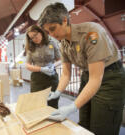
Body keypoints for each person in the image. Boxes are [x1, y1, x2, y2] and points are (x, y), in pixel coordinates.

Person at [38, 2, 125, 135]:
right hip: (87, 76)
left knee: (102, 127)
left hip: (109, 78)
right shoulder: (63, 44)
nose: (51, 34)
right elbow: (66, 74)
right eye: (48, 31)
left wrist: (72, 106)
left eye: (53, 28)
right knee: (84, 123)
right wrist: (58, 92)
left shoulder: (91, 33)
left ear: (64, 20)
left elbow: (96, 78)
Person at [25, 25, 61, 109]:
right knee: (37, 105)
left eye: (35, 35)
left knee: (53, 104)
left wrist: (53, 66)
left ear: (40, 32)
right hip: (37, 79)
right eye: (31, 38)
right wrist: (41, 69)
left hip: (51, 77)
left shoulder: (52, 43)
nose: (34, 39)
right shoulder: (31, 47)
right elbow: (27, 65)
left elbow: (60, 60)